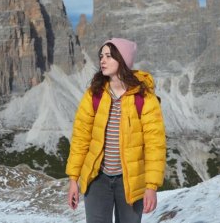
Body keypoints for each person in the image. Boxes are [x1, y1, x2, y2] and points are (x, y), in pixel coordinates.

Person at [66, 38, 166, 223]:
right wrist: (73, 179)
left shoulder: (144, 98)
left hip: (131, 181)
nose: (102, 61)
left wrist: (151, 187)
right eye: (101, 56)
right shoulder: (93, 95)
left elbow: (155, 146)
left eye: (109, 56)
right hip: (97, 180)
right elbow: (81, 139)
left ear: (123, 61)